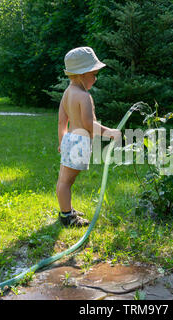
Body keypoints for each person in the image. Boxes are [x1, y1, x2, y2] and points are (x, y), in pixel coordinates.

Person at [56, 47, 121, 227]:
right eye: (93, 74)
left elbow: (62, 122)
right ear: (82, 74)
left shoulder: (67, 93)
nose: (95, 78)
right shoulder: (84, 96)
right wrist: (111, 132)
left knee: (64, 180)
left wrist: (62, 141)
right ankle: (67, 216)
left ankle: (66, 209)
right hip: (79, 142)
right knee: (66, 182)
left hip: (70, 140)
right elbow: (88, 124)